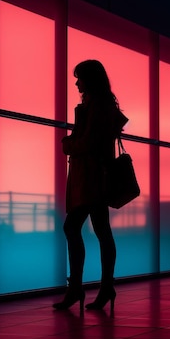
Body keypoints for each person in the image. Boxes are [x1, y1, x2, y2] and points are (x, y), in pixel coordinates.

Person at [53, 60, 128, 311]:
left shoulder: (97, 106)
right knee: (101, 232)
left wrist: (67, 144)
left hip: (91, 179)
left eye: (80, 78)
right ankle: (102, 287)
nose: (76, 83)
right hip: (93, 178)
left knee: (74, 228)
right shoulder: (100, 104)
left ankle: (78, 289)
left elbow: (88, 143)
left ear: (90, 80)